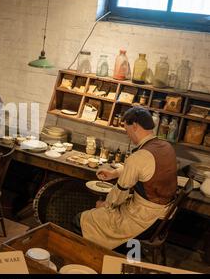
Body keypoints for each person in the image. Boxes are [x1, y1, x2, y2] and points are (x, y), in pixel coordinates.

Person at [75, 106, 178, 250]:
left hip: (146, 221)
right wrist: (115, 173)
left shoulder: (139, 156)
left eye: (126, 129)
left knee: (83, 219)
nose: (127, 134)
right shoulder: (165, 146)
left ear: (134, 126)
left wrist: (105, 205)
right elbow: (141, 168)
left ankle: (99, 259)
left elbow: (119, 195)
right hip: (165, 218)